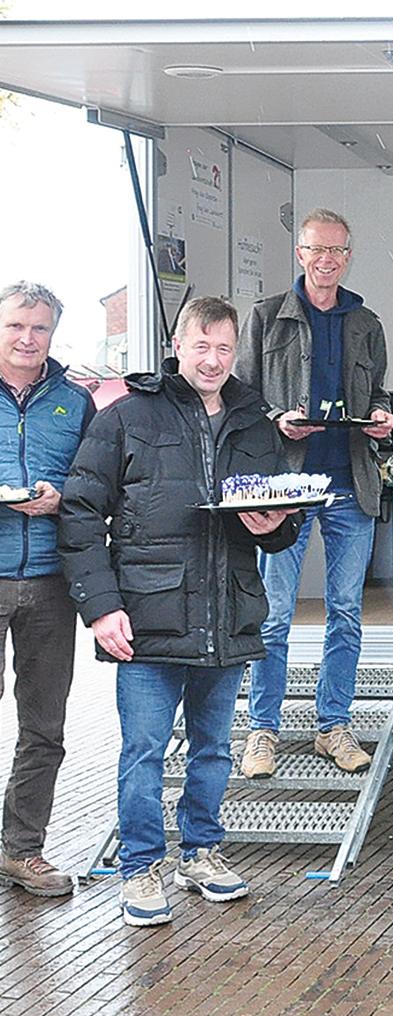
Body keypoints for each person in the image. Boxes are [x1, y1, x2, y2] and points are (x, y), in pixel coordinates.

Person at [59, 297, 300, 927]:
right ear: (177, 345)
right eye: (201, 346)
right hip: (148, 616)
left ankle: (201, 853)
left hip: (227, 612)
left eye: (224, 348)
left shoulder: (255, 423)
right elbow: (80, 512)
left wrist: (275, 526)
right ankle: (140, 866)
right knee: (143, 750)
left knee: (214, 748)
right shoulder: (128, 415)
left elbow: (279, 521)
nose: (213, 360)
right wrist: (101, 608)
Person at [235, 208, 393, 779]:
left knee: (345, 613)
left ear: (348, 257)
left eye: (337, 250)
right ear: (300, 253)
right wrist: (276, 419)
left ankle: (334, 726)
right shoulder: (265, 318)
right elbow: (241, 398)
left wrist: (381, 416)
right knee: (275, 614)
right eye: (317, 249)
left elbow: (379, 391)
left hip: (350, 481)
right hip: (287, 486)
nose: (327, 260)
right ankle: (263, 730)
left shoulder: (366, 322)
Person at [0, 282, 94, 898]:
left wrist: (65, 498)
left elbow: (96, 482)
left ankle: (21, 850)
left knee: (43, 728)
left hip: (50, 583)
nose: (27, 338)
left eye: (39, 328)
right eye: (16, 325)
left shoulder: (75, 401)